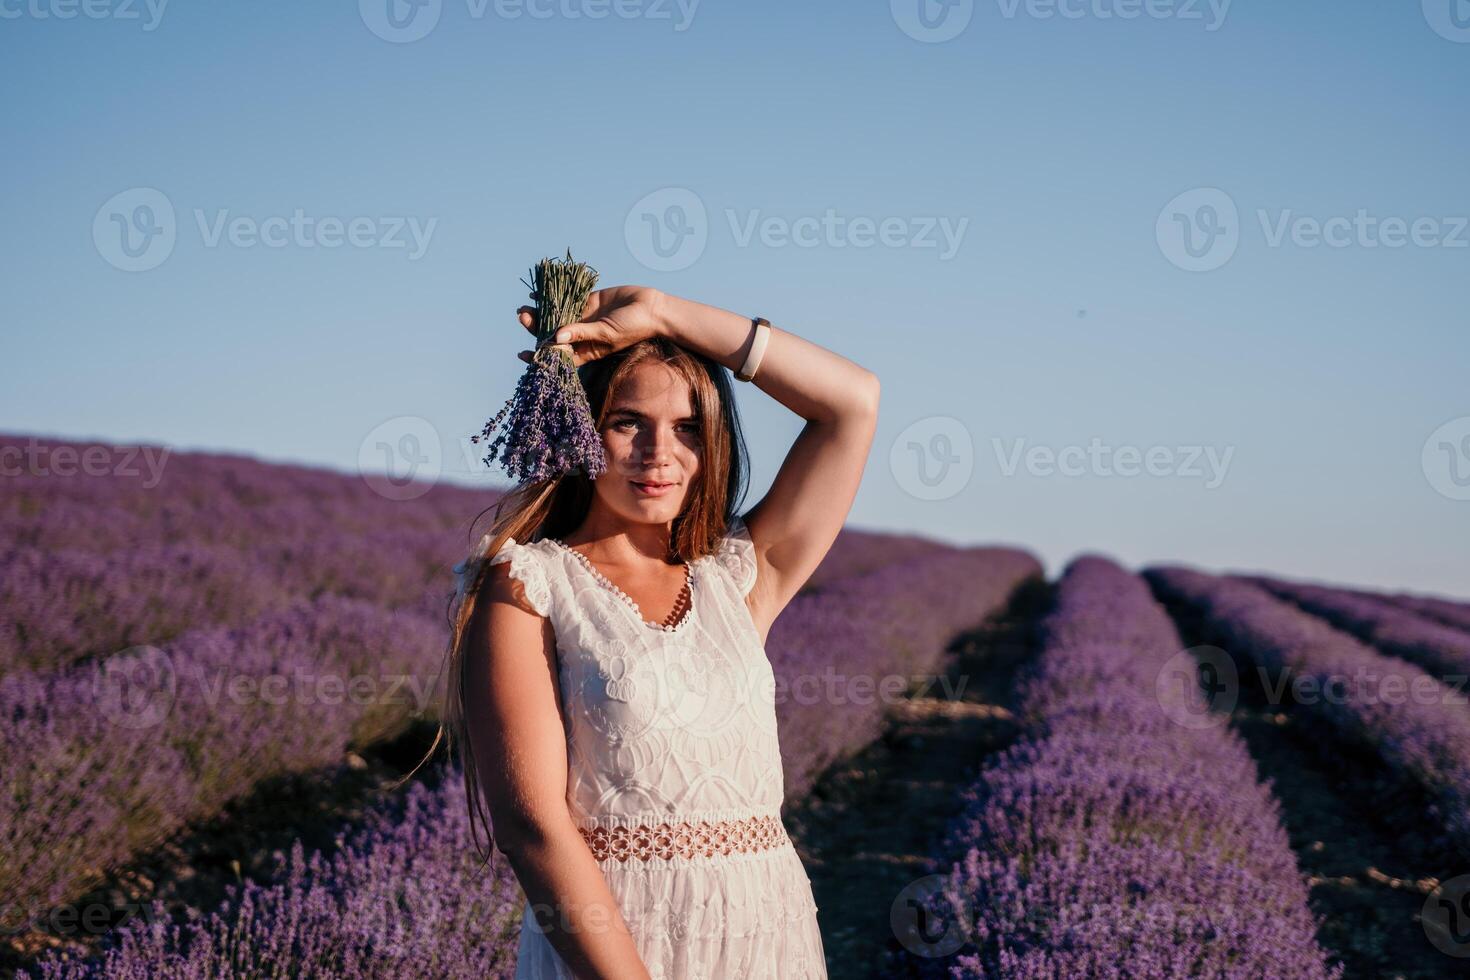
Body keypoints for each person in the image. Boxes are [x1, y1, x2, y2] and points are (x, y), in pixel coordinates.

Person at [437, 285, 879, 978]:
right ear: (580, 430)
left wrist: (665, 312)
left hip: (766, 935)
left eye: (688, 427)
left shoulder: (740, 576)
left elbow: (852, 401)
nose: (659, 452)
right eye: (627, 422)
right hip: (615, 949)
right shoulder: (527, 586)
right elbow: (533, 826)